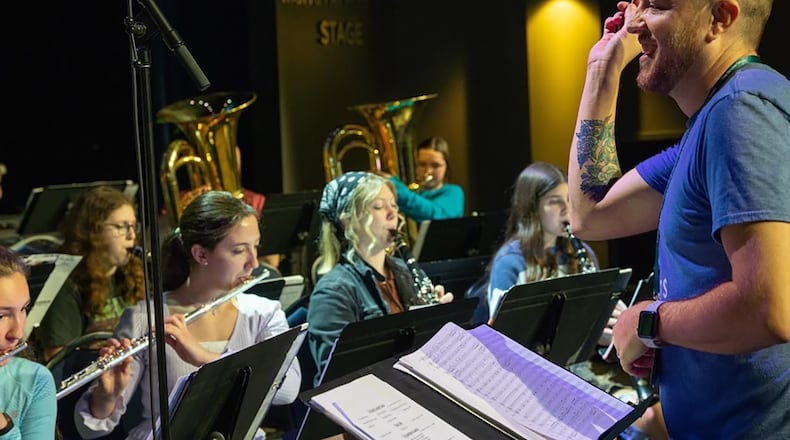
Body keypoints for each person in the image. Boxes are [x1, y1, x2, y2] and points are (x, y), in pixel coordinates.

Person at [567, 0, 790, 437]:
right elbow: (588, 214)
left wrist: (649, 319)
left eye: (657, 6)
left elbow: (770, 306)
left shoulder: (742, 110)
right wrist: (602, 68)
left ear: (720, 18)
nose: (635, 21)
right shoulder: (715, 118)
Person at [73, 191, 301, 440]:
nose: (254, 263)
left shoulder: (264, 314)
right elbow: (89, 429)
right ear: (201, 254)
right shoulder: (145, 318)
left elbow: (287, 390)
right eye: (239, 251)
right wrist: (107, 396)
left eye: (255, 247)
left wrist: (202, 357)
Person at [307, 171, 453, 386]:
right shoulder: (333, 291)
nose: (392, 213)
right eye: (378, 206)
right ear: (348, 221)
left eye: (393, 205)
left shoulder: (404, 271)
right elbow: (336, 379)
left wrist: (434, 319)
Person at [36, 186, 146, 363]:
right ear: (93, 231)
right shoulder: (68, 283)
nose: (132, 236)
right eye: (121, 227)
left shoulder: (135, 272)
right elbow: (58, 359)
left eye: (133, 226)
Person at [480, 162, 600, 322]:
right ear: (533, 209)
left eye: (568, 199)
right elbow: (499, 333)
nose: (567, 208)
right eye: (555, 201)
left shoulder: (582, 252)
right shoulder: (510, 263)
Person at [0, 245, 57, 439]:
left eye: (24, 308)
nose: (17, 332)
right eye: (1, 316)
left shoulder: (35, 380)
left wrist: (3, 428)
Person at [384, 136, 464, 223]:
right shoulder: (412, 191)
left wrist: (393, 184)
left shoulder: (454, 192)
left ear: (446, 167)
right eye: (422, 164)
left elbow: (435, 214)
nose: (428, 171)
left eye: (435, 165)